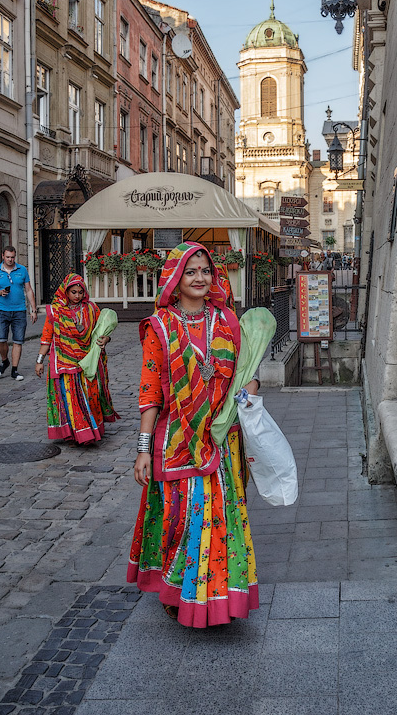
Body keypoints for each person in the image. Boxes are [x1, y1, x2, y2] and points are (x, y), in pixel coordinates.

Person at [128, 243, 261, 627]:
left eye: (205, 271)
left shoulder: (226, 322)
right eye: (191, 272)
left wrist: (246, 394)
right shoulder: (161, 327)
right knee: (181, 518)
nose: (200, 278)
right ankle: (179, 592)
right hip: (176, 440)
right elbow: (150, 390)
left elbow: (248, 373)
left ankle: (220, 597)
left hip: (220, 440)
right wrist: (142, 450)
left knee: (220, 518)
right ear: (175, 279)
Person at [35, 273, 118, 444]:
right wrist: (39, 361)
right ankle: (81, 433)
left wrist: (106, 339)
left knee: (89, 397)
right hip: (65, 362)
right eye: (73, 292)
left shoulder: (91, 309)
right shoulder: (56, 312)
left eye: (80, 292)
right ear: (66, 291)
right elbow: (47, 337)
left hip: (87, 362)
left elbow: (101, 332)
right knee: (70, 399)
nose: (77, 296)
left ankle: (90, 428)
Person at [0, 246, 38, 381]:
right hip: (1, 311)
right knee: (1, 340)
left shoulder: (22, 270)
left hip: (19, 311)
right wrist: (0, 292)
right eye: (8, 257)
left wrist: (33, 310)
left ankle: (14, 370)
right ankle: (5, 361)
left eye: (12, 257)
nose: (10, 259)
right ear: (3, 256)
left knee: (18, 341)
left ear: (15, 257)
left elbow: (28, 290)